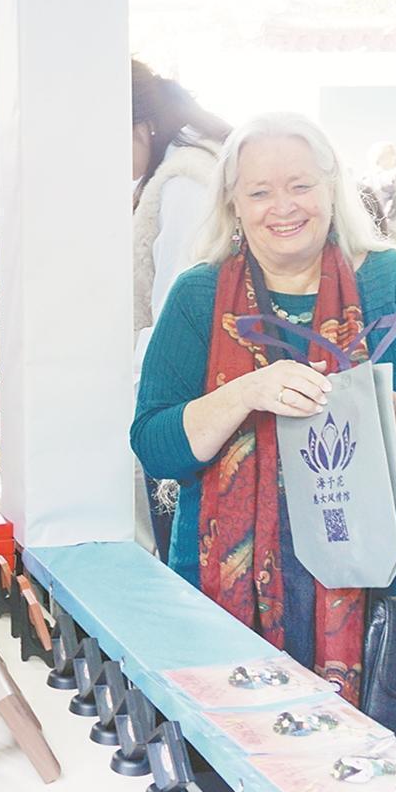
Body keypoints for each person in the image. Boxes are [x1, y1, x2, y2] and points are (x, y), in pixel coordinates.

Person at [132, 113, 396, 701]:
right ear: (233, 203)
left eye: (300, 186)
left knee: (381, 749)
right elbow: (155, 446)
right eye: (259, 192)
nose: (283, 207)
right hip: (223, 600)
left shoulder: (392, 280)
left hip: (384, 599)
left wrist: (379, 408)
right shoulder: (198, 295)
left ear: (331, 188)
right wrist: (245, 393)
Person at [132, 60, 232, 551]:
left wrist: (139, 399)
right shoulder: (191, 167)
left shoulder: (184, 182)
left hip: (191, 399)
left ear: (142, 127)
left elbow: (173, 311)